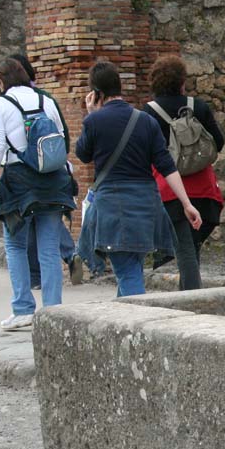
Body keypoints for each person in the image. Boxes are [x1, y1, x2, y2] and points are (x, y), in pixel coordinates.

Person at [75, 61, 201, 297]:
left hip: (113, 205)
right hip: (146, 205)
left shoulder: (94, 122)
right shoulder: (145, 120)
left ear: (97, 93)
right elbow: (166, 166)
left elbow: (83, 154)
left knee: (129, 274)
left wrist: (91, 115)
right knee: (131, 268)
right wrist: (187, 203)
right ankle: (124, 328)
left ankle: (140, 323)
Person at [0, 58, 76, 331]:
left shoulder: (1, 103)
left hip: (18, 181)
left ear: (1, 82)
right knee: (48, 247)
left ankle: (23, 308)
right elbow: (61, 138)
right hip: (52, 180)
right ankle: (54, 311)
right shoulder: (46, 99)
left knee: (15, 244)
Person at [141, 54, 224, 290]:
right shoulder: (198, 107)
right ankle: (188, 297)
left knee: (185, 250)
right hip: (204, 187)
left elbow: (146, 152)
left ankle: (191, 303)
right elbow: (218, 142)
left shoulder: (148, 112)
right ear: (181, 81)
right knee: (190, 247)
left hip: (170, 189)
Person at [7, 54, 84, 288]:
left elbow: (0, 145)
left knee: (27, 224)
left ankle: (36, 278)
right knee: (48, 220)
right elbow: (63, 136)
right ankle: (69, 255)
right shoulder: (46, 100)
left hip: (22, 173)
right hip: (52, 169)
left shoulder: (6, 103)